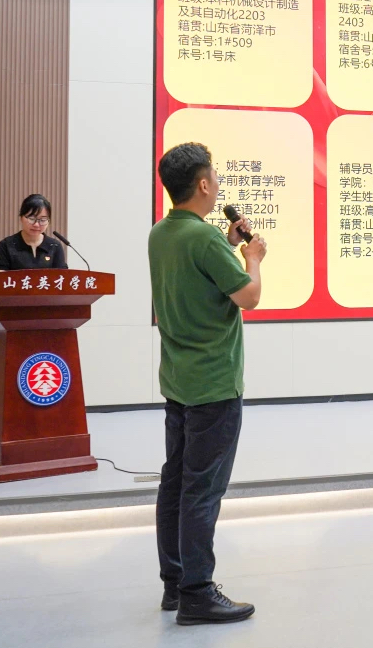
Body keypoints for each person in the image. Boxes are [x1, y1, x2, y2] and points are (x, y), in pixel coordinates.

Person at [149, 142, 266, 626]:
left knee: (176, 482)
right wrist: (252, 256)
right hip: (214, 384)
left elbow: (198, 277)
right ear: (202, 184)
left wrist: (227, 243)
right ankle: (198, 593)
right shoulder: (205, 240)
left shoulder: (162, 234)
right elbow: (249, 296)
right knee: (202, 490)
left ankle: (175, 584)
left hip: (179, 381)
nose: (218, 184)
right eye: (214, 177)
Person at [0, 194, 66, 271]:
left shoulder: (54, 246)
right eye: (31, 219)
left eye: (42, 220)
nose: (36, 224)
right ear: (21, 218)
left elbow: (62, 275)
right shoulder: (6, 245)